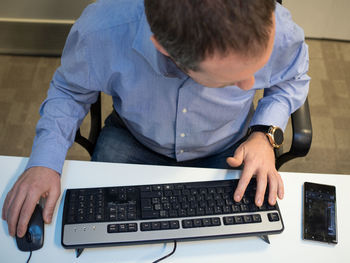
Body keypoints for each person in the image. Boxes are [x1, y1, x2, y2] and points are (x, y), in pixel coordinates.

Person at [2, 0, 310, 239]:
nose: (250, 86)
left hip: (228, 145)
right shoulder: (103, 30)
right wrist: (45, 161)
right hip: (134, 138)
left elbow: (290, 79)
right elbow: (70, 91)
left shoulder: (277, 26)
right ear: (165, 50)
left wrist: (263, 132)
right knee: (96, 238)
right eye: (231, 80)